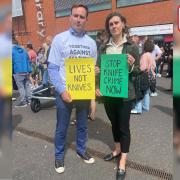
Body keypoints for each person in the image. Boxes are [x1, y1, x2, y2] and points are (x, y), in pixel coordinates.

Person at [48, 4, 97, 174]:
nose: (78, 19)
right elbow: (52, 68)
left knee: (83, 125)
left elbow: (91, 70)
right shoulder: (59, 39)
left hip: (83, 92)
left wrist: (94, 75)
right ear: (70, 17)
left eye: (82, 16)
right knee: (62, 127)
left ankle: (81, 150)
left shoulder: (91, 43)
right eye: (75, 15)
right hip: (65, 93)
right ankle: (59, 155)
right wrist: (62, 90)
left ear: (86, 20)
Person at [96, 12, 140, 180]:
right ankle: (117, 149)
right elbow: (99, 70)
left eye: (116, 23)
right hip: (108, 94)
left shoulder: (132, 47)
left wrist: (130, 66)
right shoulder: (103, 48)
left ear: (123, 24)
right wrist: (97, 79)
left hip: (124, 95)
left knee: (123, 127)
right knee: (114, 124)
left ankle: (123, 160)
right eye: (111, 24)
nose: (114, 26)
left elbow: (137, 72)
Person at [131, 39, 156, 114]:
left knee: (139, 91)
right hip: (150, 76)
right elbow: (154, 66)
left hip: (143, 75)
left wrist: (135, 69)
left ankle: (138, 108)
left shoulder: (145, 55)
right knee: (146, 91)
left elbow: (142, 67)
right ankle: (146, 106)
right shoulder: (151, 55)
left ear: (145, 47)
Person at [12, 38, 32, 107]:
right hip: (26, 70)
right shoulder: (24, 50)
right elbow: (28, 60)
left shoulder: (11, 51)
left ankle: (23, 101)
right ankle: (29, 100)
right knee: (27, 86)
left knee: (21, 87)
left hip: (18, 71)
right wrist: (29, 70)